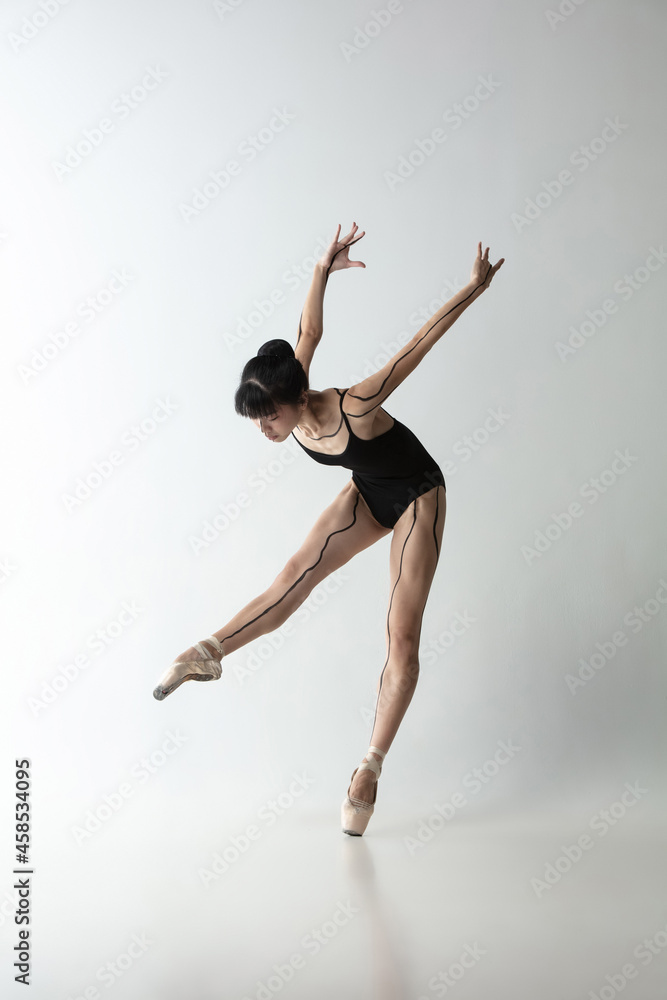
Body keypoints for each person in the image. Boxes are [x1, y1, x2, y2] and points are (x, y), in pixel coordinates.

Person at [152, 223, 504, 835]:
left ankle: (368, 768)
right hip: (368, 492)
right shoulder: (292, 379)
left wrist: (473, 289)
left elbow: (417, 346)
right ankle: (204, 652)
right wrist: (322, 269)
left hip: (419, 493)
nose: (263, 429)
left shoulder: (354, 406)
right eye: (257, 419)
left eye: (268, 418)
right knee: (292, 578)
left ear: (291, 401)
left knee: (402, 640)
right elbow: (309, 333)